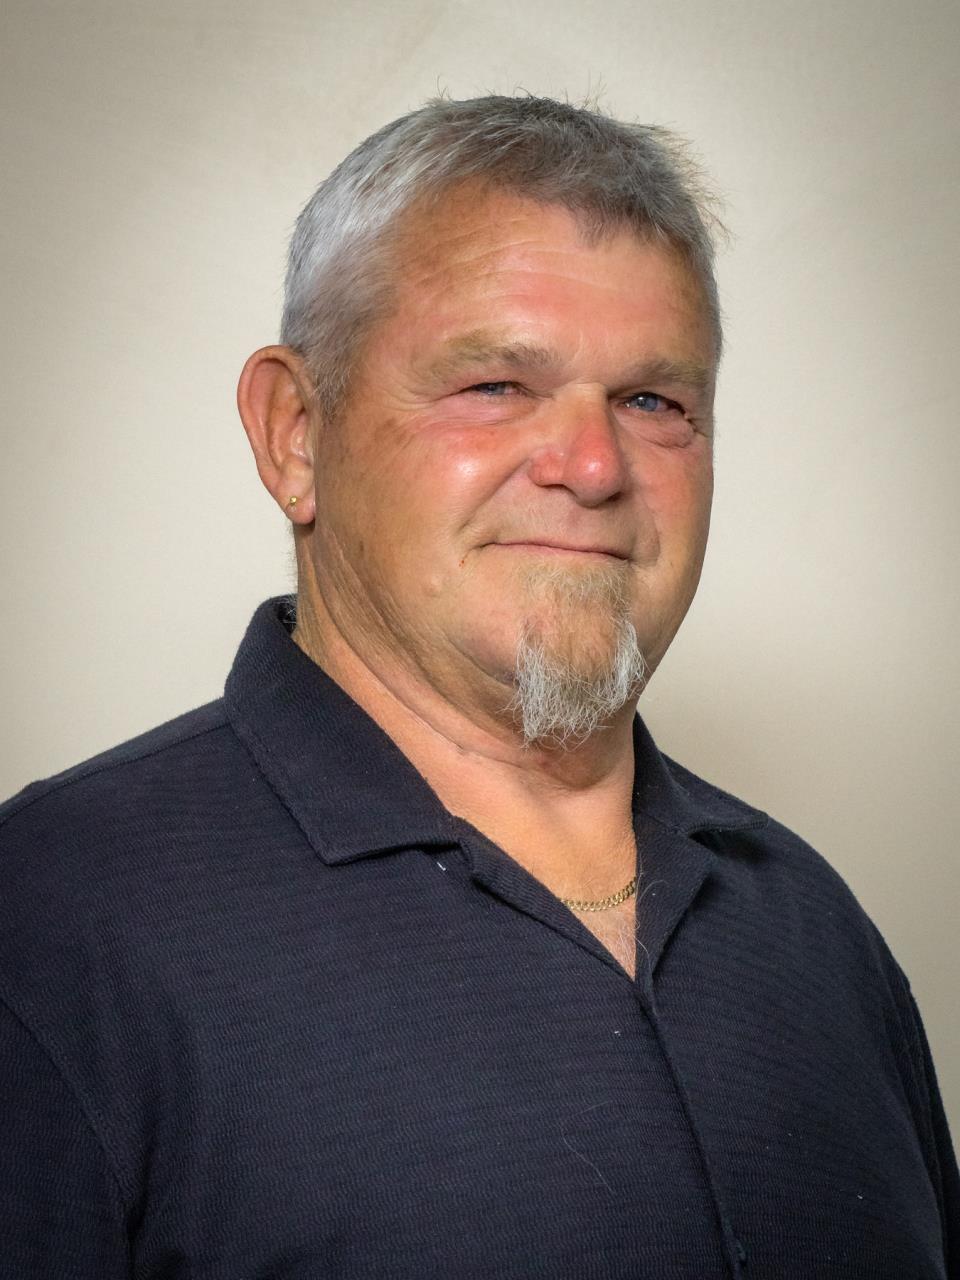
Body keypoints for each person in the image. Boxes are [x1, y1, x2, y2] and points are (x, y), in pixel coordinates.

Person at [0, 95, 956, 1280]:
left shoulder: (817, 932)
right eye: (497, 383)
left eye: (653, 402)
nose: (594, 466)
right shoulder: (51, 922)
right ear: (294, 432)